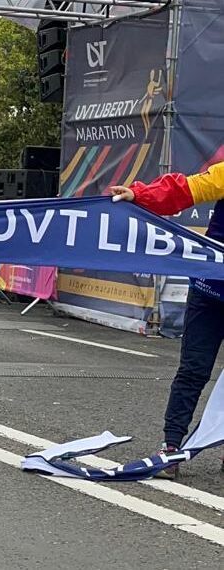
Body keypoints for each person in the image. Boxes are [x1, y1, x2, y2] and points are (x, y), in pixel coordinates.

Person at [111, 163, 224, 479]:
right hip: (210, 291)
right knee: (193, 370)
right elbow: (182, 190)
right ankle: (171, 448)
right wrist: (139, 194)